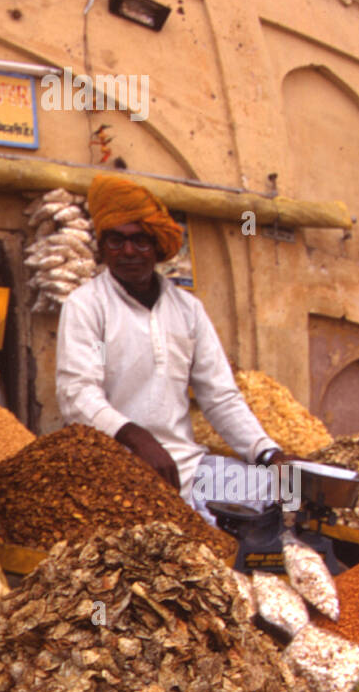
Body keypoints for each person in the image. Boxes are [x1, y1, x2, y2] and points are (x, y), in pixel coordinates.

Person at [55, 174, 289, 516]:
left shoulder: (188, 310)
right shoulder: (86, 304)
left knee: (284, 494)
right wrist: (138, 439)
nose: (129, 251)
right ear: (102, 248)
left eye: (140, 242)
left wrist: (267, 452)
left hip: (187, 466)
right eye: (116, 241)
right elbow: (77, 394)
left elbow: (219, 395)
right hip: (114, 468)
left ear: (159, 247)